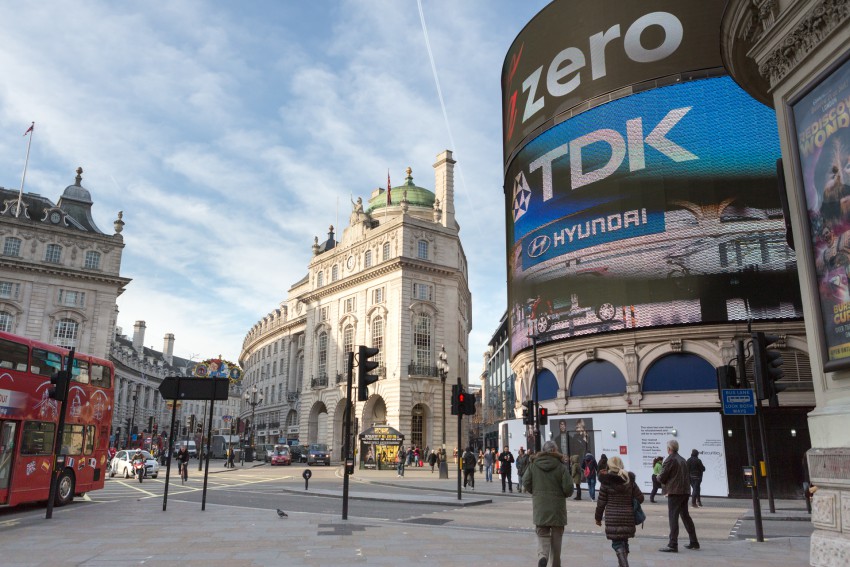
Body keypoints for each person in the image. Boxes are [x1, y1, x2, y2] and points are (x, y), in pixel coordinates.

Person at [523, 440, 573, 567]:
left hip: (540, 507)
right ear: (555, 450)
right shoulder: (561, 466)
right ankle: (555, 564)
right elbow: (568, 488)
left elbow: (526, 481)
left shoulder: (534, 464)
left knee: (542, 534)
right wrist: (563, 494)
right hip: (557, 508)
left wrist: (535, 493)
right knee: (557, 541)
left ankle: (542, 556)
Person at [595, 456, 644, 567]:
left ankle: (624, 565)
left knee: (617, 544)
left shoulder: (606, 481)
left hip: (613, 518)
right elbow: (640, 498)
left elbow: (601, 503)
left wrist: (598, 518)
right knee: (624, 542)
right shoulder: (629, 480)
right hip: (628, 516)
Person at [657, 439, 699, 552]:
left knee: (673, 517)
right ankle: (694, 541)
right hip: (685, 491)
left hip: (675, 492)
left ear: (669, 449)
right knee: (685, 516)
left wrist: (658, 477)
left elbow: (662, 477)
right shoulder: (683, 460)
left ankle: (673, 544)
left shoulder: (670, 460)